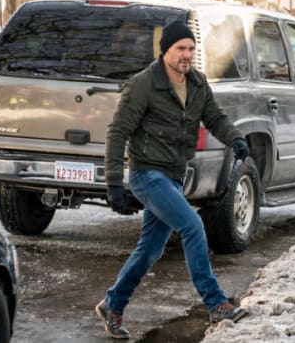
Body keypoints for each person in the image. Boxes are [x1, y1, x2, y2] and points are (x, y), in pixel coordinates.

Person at [97, 20, 250, 339]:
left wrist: (234, 137)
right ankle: (216, 303)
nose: (187, 54)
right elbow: (118, 130)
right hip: (146, 173)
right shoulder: (143, 84)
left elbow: (215, 117)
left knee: (150, 250)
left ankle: (112, 304)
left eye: (191, 48)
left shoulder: (196, 83)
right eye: (180, 48)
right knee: (192, 226)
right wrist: (113, 179)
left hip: (174, 175)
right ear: (165, 50)